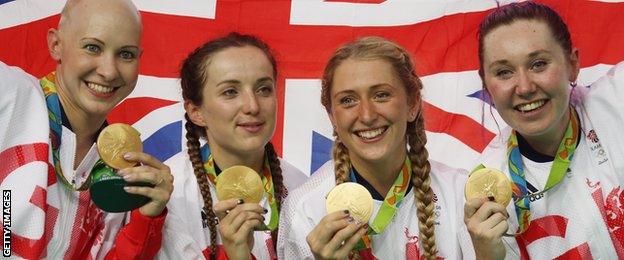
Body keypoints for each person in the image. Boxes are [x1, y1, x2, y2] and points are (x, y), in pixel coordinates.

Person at [0, 0, 174, 258]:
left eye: (126, 54)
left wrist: (146, 218)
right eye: (93, 47)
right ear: (56, 45)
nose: (108, 71)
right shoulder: (9, 95)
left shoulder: (122, 175)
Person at [277, 37, 471, 260]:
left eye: (381, 95)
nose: (367, 115)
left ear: (413, 104)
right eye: (348, 100)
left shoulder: (458, 193)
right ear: (332, 117)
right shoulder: (304, 210)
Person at [464, 2, 624, 259]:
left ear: (572, 64)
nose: (525, 87)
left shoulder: (617, 103)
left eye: (538, 64)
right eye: (504, 72)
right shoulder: (486, 194)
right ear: (486, 85)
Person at [158, 33, 307, 260]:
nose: (253, 106)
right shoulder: (171, 194)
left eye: (264, 89)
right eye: (230, 92)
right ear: (196, 112)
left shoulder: (300, 189)